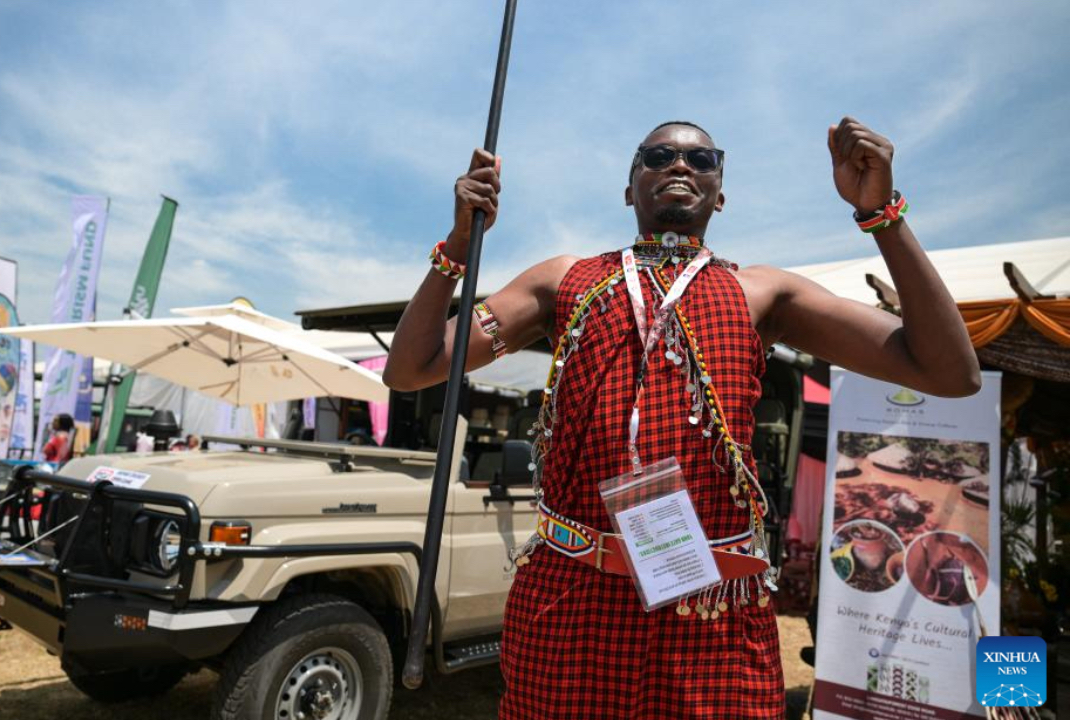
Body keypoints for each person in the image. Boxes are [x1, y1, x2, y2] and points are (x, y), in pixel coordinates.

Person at [383, 118, 979, 719]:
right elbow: (412, 369)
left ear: (720, 193)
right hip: (570, 594)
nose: (680, 166)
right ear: (629, 186)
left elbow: (951, 373)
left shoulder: (760, 293)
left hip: (710, 605)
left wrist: (883, 215)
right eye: (659, 155)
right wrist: (458, 247)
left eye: (702, 160)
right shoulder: (563, 280)